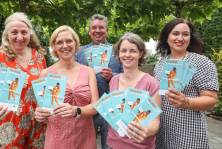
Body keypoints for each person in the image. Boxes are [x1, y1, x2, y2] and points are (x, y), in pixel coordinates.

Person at [0, 12, 47, 148]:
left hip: (38, 126)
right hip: (8, 127)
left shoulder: (39, 57)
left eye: (24, 32)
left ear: (29, 34)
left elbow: (44, 89)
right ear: (7, 35)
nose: (20, 37)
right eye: (14, 32)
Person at [154, 18, 218, 149]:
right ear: (167, 37)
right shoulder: (160, 64)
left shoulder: (201, 63)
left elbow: (211, 100)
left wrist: (186, 102)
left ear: (190, 38)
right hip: (162, 133)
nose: (180, 38)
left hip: (189, 134)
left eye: (185, 34)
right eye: (175, 33)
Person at [35, 25, 99, 149]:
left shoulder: (88, 71)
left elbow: (96, 106)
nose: (65, 46)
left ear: (75, 43)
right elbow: (40, 112)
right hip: (57, 140)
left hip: (85, 139)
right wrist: (40, 115)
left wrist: (76, 111)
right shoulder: (46, 74)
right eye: (59, 42)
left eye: (69, 41)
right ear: (54, 46)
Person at [74, 14, 123, 149]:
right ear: (89, 31)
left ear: (107, 30)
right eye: (94, 28)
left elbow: (128, 76)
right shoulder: (79, 52)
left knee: (110, 146)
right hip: (87, 110)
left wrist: (112, 76)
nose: (97, 30)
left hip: (112, 110)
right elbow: (71, 77)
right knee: (86, 146)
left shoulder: (118, 51)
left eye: (101, 27)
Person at [107, 32, 161, 149]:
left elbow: (155, 120)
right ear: (118, 53)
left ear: (141, 53)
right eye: (123, 51)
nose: (127, 55)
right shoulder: (113, 81)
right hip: (112, 144)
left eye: (133, 51)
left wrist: (144, 131)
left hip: (140, 146)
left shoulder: (151, 83)